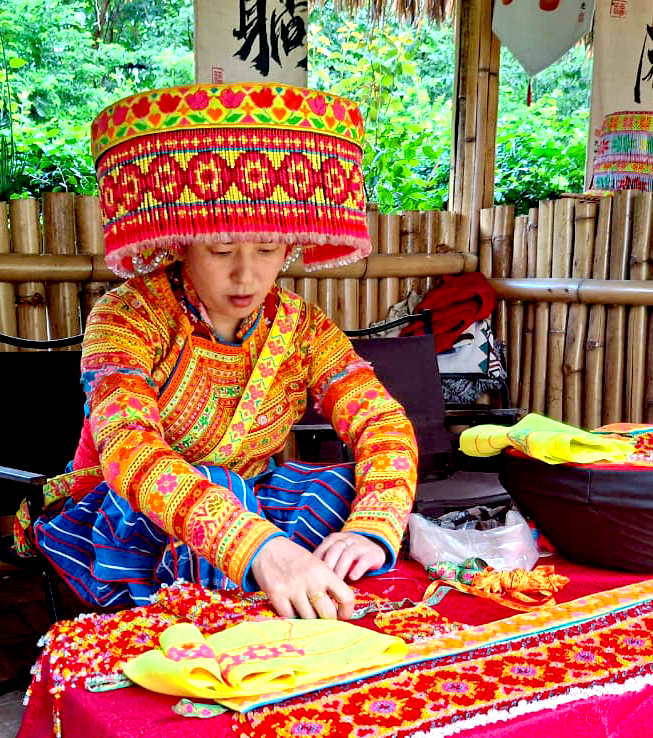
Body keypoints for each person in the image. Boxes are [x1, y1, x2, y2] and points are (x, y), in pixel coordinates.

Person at [30, 82, 418, 620]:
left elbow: (381, 423)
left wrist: (374, 525)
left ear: (291, 245)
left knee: (342, 485)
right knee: (221, 486)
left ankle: (296, 599)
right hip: (127, 516)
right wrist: (258, 546)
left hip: (250, 502)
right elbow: (127, 451)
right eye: (220, 250)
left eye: (267, 249)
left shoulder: (302, 326)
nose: (246, 274)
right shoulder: (126, 316)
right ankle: (237, 624)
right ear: (181, 239)